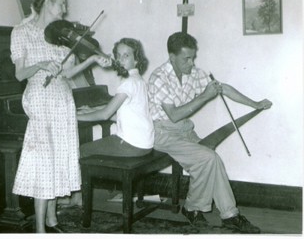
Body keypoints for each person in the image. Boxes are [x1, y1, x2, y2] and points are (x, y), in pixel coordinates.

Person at [148, 32, 272, 233]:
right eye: (186, 58)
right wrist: (204, 97)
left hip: (184, 131)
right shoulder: (158, 77)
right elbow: (174, 116)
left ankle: (230, 215)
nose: (191, 63)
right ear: (172, 57)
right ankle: (192, 207)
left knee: (213, 160)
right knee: (207, 158)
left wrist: (255, 104)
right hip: (163, 133)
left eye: (193, 57)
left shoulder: (193, 73)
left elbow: (223, 89)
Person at [10, 0, 110, 233]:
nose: (65, 9)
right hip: (39, 96)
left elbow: (66, 73)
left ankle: (52, 221)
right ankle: (40, 230)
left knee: (57, 160)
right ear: (46, 2)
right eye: (61, 3)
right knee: (44, 161)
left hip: (63, 99)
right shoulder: (22, 31)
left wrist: (92, 59)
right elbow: (20, 74)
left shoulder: (63, 35)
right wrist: (42, 64)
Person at [77, 38, 154, 158]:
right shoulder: (139, 80)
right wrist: (90, 110)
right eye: (118, 55)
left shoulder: (129, 82)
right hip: (144, 143)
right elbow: (121, 114)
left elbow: (105, 115)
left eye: (126, 55)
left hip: (132, 144)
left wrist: (75, 117)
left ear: (136, 60)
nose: (121, 60)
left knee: (82, 150)